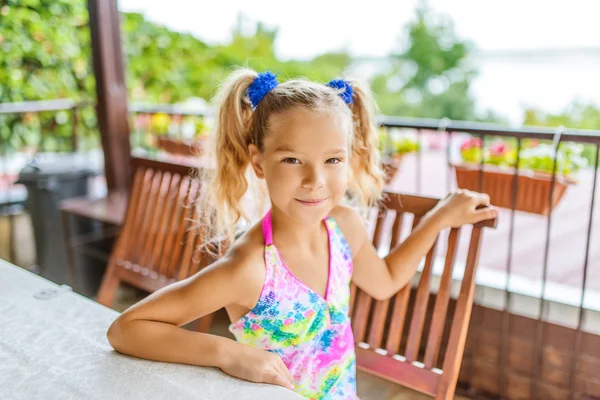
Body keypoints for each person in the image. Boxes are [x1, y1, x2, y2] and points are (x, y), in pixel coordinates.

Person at [106, 69, 497, 399]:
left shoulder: (343, 225)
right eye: (292, 160)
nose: (315, 180)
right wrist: (226, 353)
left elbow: (385, 282)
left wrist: (439, 219)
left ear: (349, 158)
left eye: (332, 160)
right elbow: (126, 329)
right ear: (258, 163)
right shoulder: (249, 269)